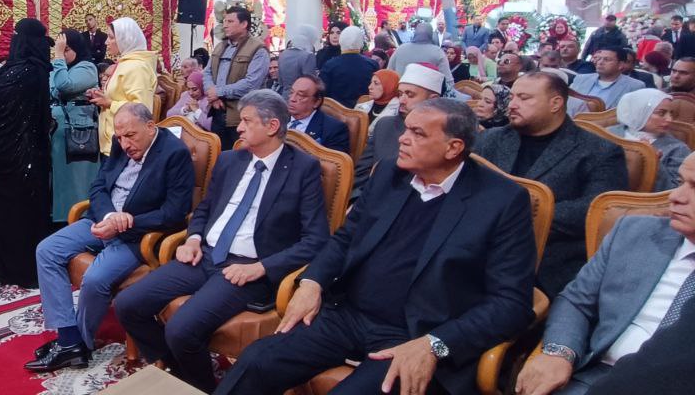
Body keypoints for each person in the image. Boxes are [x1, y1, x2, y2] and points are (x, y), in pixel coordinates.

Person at [215, 99, 537, 395]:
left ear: (454, 147)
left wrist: (435, 345)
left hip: (416, 335)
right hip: (348, 314)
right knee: (257, 361)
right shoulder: (389, 173)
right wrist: (312, 281)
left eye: (417, 133)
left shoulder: (501, 201)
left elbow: (511, 304)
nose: (402, 139)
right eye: (406, 128)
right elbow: (345, 238)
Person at [115, 90, 329, 391]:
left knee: (180, 329)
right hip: (205, 254)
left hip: (247, 268)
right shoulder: (230, 160)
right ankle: (178, 371)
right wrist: (193, 238)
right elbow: (204, 209)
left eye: (246, 121)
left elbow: (316, 240)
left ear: (272, 126)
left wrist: (261, 267)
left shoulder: (302, 168)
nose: (238, 128)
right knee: (127, 304)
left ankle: (202, 386)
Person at [27, 103, 193, 372]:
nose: (125, 144)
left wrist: (126, 222)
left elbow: (174, 212)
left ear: (150, 127)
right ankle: (69, 339)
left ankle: (78, 343)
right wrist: (109, 217)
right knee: (47, 250)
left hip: (138, 235)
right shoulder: (121, 143)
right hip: (102, 220)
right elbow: (98, 186)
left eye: (131, 136)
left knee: (96, 278)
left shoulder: (175, 154)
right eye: (120, 137)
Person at [516, 154, 695, 395]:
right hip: (596, 377)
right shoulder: (634, 232)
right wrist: (560, 352)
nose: (675, 196)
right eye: (680, 182)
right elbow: (576, 300)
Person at [474, 72, 628, 294]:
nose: (512, 105)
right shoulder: (491, 139)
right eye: (513, 97)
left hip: (547, 259)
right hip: (476, 246)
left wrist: (516, 216)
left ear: (555, 103)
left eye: (524, 98)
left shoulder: (600, 152)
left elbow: (597, 211)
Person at [0, 18, 54, 287]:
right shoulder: (31, 68)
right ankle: (9, 264)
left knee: (17, 214)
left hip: (17, 157)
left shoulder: (27, 71)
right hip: (25, 154)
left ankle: (18, 269)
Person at [353, 64, 443, 196]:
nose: (401, 100)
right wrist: (358, 202)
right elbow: (361, 175)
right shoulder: (385, 125)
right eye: (400, 94)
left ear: (432, 100)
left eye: (410, 95)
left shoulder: (442, 136)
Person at [202, 6, 270, 150]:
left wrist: (219, 92)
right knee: (217, 155)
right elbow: (207, 73)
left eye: (230, 21)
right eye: (225, 21)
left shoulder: (258, 49)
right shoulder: (220, 46)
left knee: (240, 156)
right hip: (217, 111)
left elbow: (251, 84)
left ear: (244, 24)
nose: (225, 25)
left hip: (242, 116)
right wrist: (212, 95)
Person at [50, 29, 100, 222]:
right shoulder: (63, 67)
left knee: (77, 182)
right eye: (60, 49)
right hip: (59, 130)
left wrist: (58, 58)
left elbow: (64, 86)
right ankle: (60, 218)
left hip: (79, 132)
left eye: (66, 49)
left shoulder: (87, 67)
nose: (61, 53)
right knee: (61, 181)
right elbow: (52, 88)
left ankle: (80, 218)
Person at [92, 17, 157, 155]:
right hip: (114, 143)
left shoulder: (137, 67)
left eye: (111, 37)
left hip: (127, 146)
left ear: (125, 39)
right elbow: (119, 95)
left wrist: (109, 103)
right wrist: (101, 96)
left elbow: (142, 109)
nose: (106, 42)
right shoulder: (125, 64)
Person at [609, 89, 690, 191]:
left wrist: (654, 162)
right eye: (661, 113)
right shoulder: (608, 134)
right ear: (640, 111)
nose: (669, 119)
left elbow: (675, 190)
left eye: (671, 113)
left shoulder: (677, 149)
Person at [285, 76, 349, 153]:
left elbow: (334, 160)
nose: (292, 99)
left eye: (301, 95)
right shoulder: (278, 118)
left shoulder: (334, 129)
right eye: (291, 92)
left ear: (317, 102)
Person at [570, 47, 645, 112]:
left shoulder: (634, 86)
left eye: (607, 59)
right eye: (598, 58)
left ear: (620, 65)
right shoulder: (581, 79)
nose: (600, 62)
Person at [319, 25, 377, 108]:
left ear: (341, 41)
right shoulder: (372, 64)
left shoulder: (330, 65)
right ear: (361, 43)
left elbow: (322, 92)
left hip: (335, 112)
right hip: (364, 111)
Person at [388, 23, 455, 87]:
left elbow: (388, 72)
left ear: (415, 33)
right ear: (431, 35)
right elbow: (448, 81)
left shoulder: (401, 49)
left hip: (401, 91)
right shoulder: (437, 52)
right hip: (427, 93)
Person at [276, 26, 318, 95]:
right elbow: (310, 82)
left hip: (285, 95)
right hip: (301, 96)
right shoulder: (308, 56)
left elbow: (280, 81)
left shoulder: (283, 54)